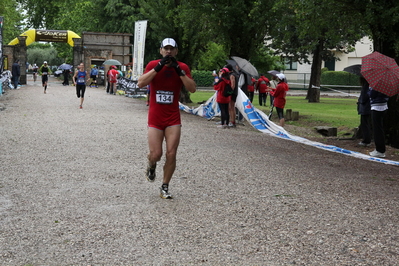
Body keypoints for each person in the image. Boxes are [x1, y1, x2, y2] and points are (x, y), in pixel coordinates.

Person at [137, 38, 196, 199]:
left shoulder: (182, 67)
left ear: (176, 51)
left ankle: (165, 186)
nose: (168, 51)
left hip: (173, 118)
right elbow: (140, 83)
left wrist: (179, 70)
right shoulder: (152, 65)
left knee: (171, 153)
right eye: (166, 49)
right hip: (156, 117)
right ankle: (151, 164)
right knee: (156, 154)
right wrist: (158, 67)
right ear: (161, 50)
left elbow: (192, 89)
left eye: (172, 49)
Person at [368, 87, 389, 158]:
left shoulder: (377, 85)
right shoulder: (386, 84)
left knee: (377, 129)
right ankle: (380, 149)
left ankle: (380, 150)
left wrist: (369, 91)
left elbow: (372, 94)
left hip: (377, 107)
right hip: (383, 105)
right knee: (379, 128)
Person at [357, 77, 371, 147]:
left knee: (365, 123)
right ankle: (366, 139)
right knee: (365, 123)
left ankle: (366, 140)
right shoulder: (367, 85)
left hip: (366, 107)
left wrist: (360, 101)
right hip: (366, 106)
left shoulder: (366, 85)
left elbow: (364, 97)